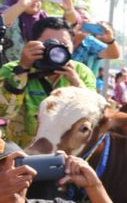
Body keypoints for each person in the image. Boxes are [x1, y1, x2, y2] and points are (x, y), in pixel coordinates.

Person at [0, 16, 95, 147]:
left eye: (64, 45)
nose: (56, 50)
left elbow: (93, 117)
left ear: (73, 45)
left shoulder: (81, 72)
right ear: (32, 43)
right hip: (23, 153)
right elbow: (5, 113)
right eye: (49, 44)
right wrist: (22, 69)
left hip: (65, 154)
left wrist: (76, 83)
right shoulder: (11, 69)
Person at [0, 0, 79, 64]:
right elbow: (2, 21)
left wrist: (69, 9)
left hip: (38, 73)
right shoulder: (6, 13)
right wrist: (21, 5)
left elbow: (70, 24)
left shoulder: (44, 18)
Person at [70, 5, 120, 76]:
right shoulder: (60, 36)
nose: (83, 21)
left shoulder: (90, 42)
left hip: (82, 86)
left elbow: (114, 55)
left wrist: (110, 40)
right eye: (79, 18)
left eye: (86, 18)